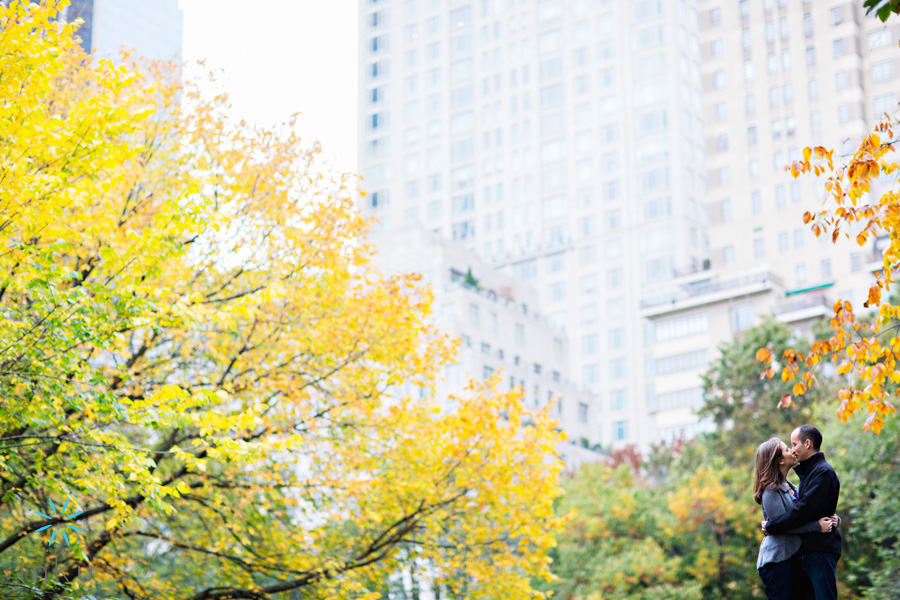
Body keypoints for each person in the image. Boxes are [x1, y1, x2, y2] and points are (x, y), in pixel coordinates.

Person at [762, 425, 842, 600]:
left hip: (819, 548)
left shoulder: (821, 473)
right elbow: (810, 509)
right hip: (791, 556)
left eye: (794, 444)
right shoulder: (808, 474)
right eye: (789, 447)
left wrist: (771, 525)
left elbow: (803, 511)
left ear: (807, 444)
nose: (792, 450)